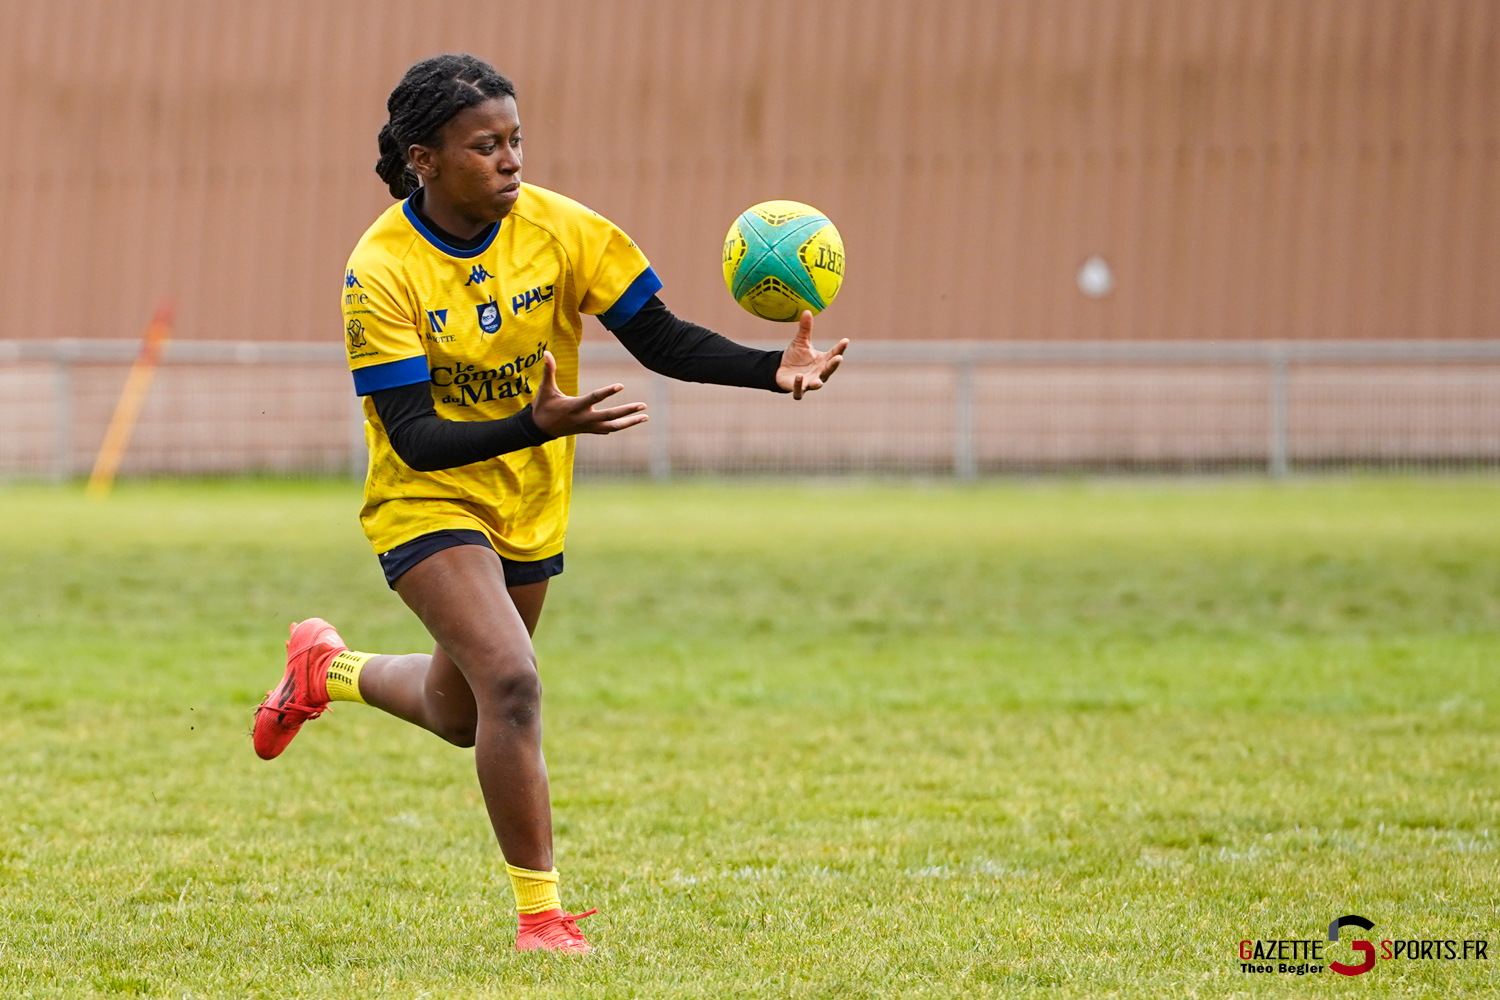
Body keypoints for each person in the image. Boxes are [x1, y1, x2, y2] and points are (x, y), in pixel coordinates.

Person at [252, 54, 848, 954]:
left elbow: (658, 337)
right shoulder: (380, 269)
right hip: (426, 499)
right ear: (425, 159)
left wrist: (772, 370)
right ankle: (543, 920)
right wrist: (533, 424)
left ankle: (325, 670)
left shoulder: (561, 229)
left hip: (529, 504)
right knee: (514, 682)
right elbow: (413, 435)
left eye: (516, 139)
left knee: (464, 714)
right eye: (484, 145)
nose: (510, 160)